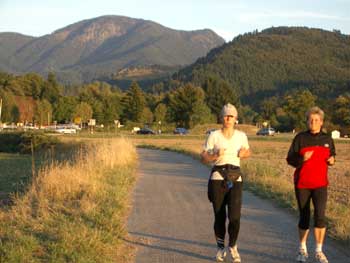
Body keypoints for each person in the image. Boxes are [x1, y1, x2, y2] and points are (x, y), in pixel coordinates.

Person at [201, 103, 250, 263]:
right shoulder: (214, 135)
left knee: (235, 217)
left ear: (236, 119)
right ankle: (221, 248)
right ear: (221, 118)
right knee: (219, 215)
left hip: (236, 177)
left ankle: (233, 246)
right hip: (218, 177)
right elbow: (204, 157)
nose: (228, 118)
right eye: (226, 115)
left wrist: (244, 154)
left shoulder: (241, 136)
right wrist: (214, 155)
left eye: (231, 116)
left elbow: (248, 151)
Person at [287, 106, 335, 263]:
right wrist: (302, 159)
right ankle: (302, 249)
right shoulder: (300, 138)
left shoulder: (327, 139)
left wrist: (332, 160)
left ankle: (319, 251)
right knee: (304, 217)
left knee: (320, 217)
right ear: (307, 122)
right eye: (310, 120)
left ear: (321, 122)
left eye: (316, 120)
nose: (313, 122)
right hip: (302, 184)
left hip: (320, 184)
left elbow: (332, 155)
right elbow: (290, 159)